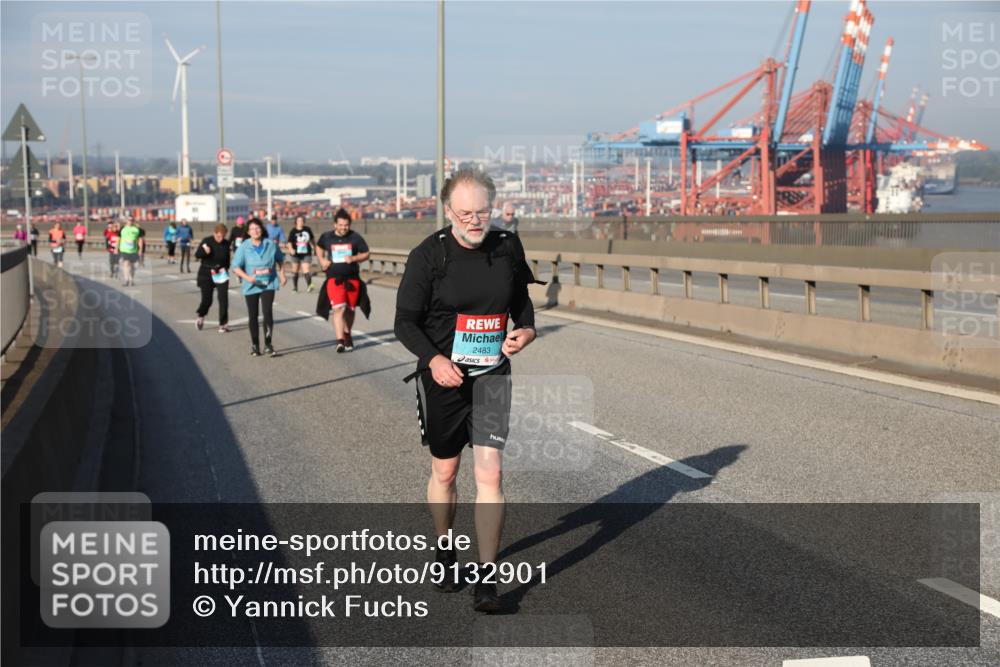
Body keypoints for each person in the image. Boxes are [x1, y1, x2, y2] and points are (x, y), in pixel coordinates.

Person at [393, 168, 539, 612]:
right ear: (448, 211)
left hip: (491, 374)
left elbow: (522, 303)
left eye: (484, 212)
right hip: (444, 380)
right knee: (446, 472)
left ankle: (487, 579)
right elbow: (404, 323)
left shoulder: (507, 246)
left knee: (490, 473)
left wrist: (526, 331)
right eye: (466, 213)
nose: (476, 221)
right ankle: (443, 548)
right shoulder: (429, 256)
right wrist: (435, 361)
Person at [316, 208, 370, 352]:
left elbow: (366, 253)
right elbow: (319, 247)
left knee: (350, 310)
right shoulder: (326, 237)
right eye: (340, 225)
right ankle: (340, 341)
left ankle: (347, 334)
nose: (343, 228)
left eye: (346, 225)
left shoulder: (355, 237)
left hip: (352, 279)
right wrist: (322, 260)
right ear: (335, 224)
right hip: (334, 279)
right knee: (339, 308)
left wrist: (354, 258)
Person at [231, 217, 286, 356]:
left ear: (261, 229)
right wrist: (248, 278)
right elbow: (235, 267)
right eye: (252, 229)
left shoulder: (271, 244)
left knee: (267, 313)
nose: (255, 231)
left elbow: (281, 259)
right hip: (251, 285)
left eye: (258, 228)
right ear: (248, 232)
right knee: (253, 315)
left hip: (268, 283)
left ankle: (268, 344)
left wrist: (282, 274)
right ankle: (255, 345)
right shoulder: (244, 246)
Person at [194, 224, 232, 333]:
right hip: (206, 273)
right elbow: (197, 255)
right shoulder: (207, 241)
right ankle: (201, 315)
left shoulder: (226, 243)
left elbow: (227, 259)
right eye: (219, 236)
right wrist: (205, 252)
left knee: (223, 298)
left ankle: (223, 324)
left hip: (221, 273)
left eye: (223, 236)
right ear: (214, 233)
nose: (221, 239)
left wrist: (225, 268)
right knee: (207, 300)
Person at [286, 215, 316, 292]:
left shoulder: (307, 229)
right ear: (296, 222)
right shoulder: (293, 231)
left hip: (306, 253)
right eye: (299, 221)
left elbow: (312, 240)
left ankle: (309, 285)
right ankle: (295, 287)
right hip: (295, 254)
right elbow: (289, 242)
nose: (300, 222)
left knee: (306, 269)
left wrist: (315, 248)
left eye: (302, 221)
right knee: (295, 270)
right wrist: (291, 249)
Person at [117, 219, 143, 287]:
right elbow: (118, 238)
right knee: (126, 264)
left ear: (133, 221)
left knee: (133, 266)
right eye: (128, 220)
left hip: (134, 250)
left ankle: (131, 279)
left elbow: (140, 239)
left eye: (131, 220)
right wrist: (117, 248)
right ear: (126, 221)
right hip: (124, 250)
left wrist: (140, 249)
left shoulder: (136, 229)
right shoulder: (122, 229)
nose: (130, 221)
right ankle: (126, 280)